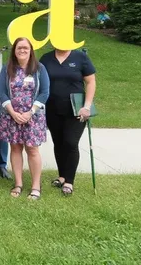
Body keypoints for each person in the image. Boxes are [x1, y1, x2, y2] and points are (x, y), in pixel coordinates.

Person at [0, 38, 50, 200]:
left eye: (25, 48)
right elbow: (2, 92)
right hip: (11, 116)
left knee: (32, 150)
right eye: (19, 48)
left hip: (32, 117)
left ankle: (35, 186)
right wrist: (12, 112)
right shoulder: (7, 69)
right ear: (14, 50)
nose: (22, 50)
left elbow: (44, 92)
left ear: (31, 50)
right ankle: (18, 183)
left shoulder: (39, 69)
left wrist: (30, 112)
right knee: (15, 149)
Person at [40, 47, 96, 196]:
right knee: (59, 143)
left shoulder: (80, 57)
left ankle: (69, 182)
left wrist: (87, 106)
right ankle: (62, 176)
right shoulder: (46, 58)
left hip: (76, 110)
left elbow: (90, 82)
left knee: (71, 142)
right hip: (52, 109)